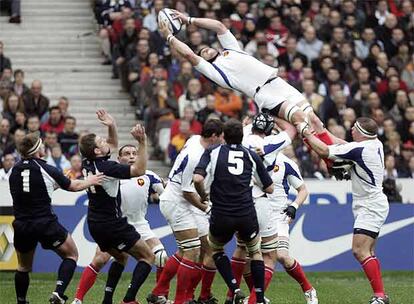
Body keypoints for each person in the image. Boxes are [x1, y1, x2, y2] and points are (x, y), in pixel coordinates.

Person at [158, 12, 315, 137]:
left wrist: (189, 20)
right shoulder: (215, 72)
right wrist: (169, 37)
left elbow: (219, 26)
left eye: (205, 48)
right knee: (300, 120)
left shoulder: (231, 49)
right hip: (264, 93)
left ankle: (334, 151)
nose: (204, 50)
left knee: (314, 119)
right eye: (202, 53)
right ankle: (325, 152)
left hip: (276, 81)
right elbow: (190, 55)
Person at [9, 131, 104, 304]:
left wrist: (56, 183)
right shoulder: (46, 168)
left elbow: (30, 190)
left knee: (23, 267)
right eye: (41, 144)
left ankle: (21, 301)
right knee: (72, 255)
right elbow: (74, 186)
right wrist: (91, 180)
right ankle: (58, 293)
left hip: (22, 224)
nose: (44, 146)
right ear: (37, 150)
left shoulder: (14, 170)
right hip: (45, 222)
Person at [303, 117, 390, 304]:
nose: (351, 129)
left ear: (361, 133)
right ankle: (380, 295)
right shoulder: (375, 143)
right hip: (371, 203)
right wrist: (320, 128)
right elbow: (343, 145)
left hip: (370, 205)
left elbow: (325, 150)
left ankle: (380, 296)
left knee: (359, 250)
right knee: (368, 251)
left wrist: (306, 134)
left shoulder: (361, 149)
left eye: (355, 128)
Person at [193, 119, 274, 304]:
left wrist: (203, 195)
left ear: (223, 136)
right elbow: (269, 188)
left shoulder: (213, 152)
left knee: (216, 249)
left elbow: (197, 178)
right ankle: (259, 298)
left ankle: (234, 288)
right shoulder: (251, 155)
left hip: (221, 214)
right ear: (242, 136)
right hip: (246, 213)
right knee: (255, 252)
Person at [72, 145, 166, 304]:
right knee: (100, 259)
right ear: (119, 158)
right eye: (127, 154)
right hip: (117, 224)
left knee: (162, 258)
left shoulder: (149, 175)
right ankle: (79, 298)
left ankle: (159, 296)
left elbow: (166, 193)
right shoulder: (114, 175)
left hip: (140, 225)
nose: (131, 156)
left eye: (135, 153)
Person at [79, 110, 155, 304]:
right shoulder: (107, 169)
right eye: (101, 141)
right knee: (147, 257)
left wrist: (111, 125)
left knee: (121, 258)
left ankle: (107, 300)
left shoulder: (88, 162)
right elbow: (139, 170)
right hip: (111, 224)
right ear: (97, 151)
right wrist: (142, 142)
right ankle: (129, 300)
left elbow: (112, 144)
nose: (106, 141)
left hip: (95, 223)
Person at [147, 119, 224, 304]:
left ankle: (164, 292)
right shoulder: (196, 156)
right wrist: (206, 207)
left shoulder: (195, 139)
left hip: (185, 201)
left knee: (208, 248)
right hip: (177, 202)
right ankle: (181, 299)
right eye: (221, 136)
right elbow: (187, 191)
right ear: (213, 136)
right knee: (191, 250)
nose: (223, 139)